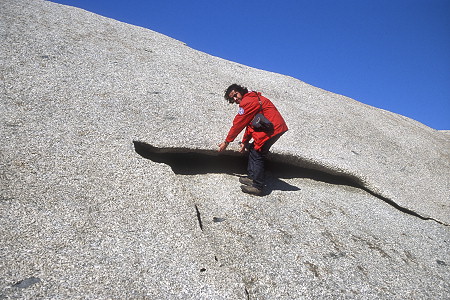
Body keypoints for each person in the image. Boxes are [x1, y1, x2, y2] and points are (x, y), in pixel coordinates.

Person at [218, 84, 288, 195]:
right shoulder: (251, 97)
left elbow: (238, 124)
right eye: (233, 98)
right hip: (272, 127)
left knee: (257, 154)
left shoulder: (247, 102)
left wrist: (227, 142)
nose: (235, 99)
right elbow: (250, 124)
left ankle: (258, 186)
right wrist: (245, 142)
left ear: (241, 91)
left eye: (235, 95)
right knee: (253, 149)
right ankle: (252, 177)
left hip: (272, 129)